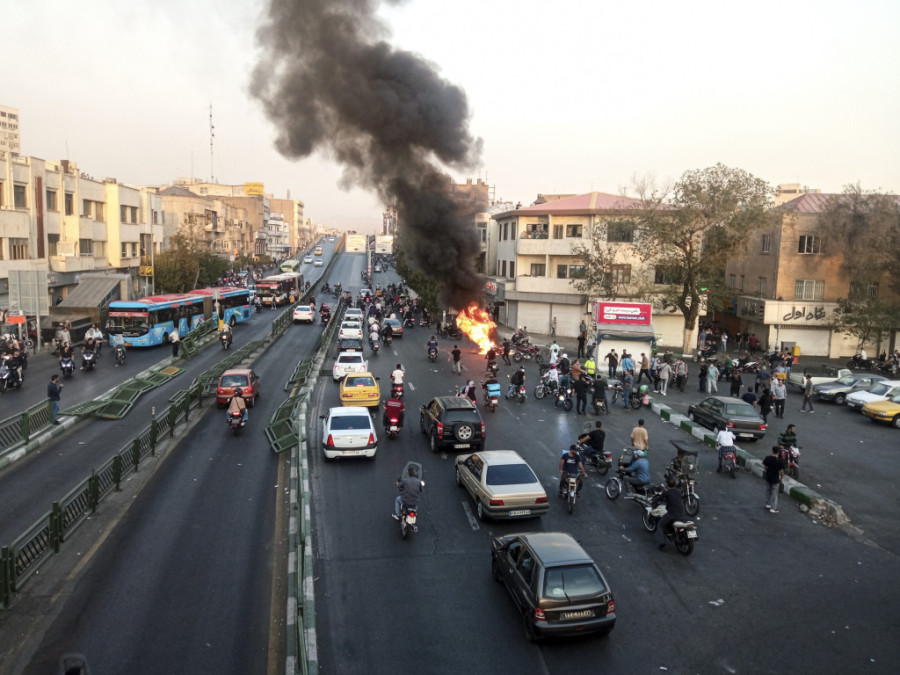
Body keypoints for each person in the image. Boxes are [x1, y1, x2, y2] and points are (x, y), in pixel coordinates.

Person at [657, 475, 687, 551]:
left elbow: (659, 498)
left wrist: (653, 502)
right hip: (682, 514)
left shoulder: (666, 493)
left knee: (660, 525)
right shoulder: (678, 491)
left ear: (667, 484)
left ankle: (662, 542)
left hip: (672, 515)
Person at [763, 445, 785, 513]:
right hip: (775, 478)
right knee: (774, 494)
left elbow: (765, 467)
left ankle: (768, 504)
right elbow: (781, 472)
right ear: (778, 452)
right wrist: (781, 477)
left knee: (768, 491)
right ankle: (773, 508)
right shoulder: (779, 461)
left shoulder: (767, 458)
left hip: (768, 477)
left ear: (772, 450)